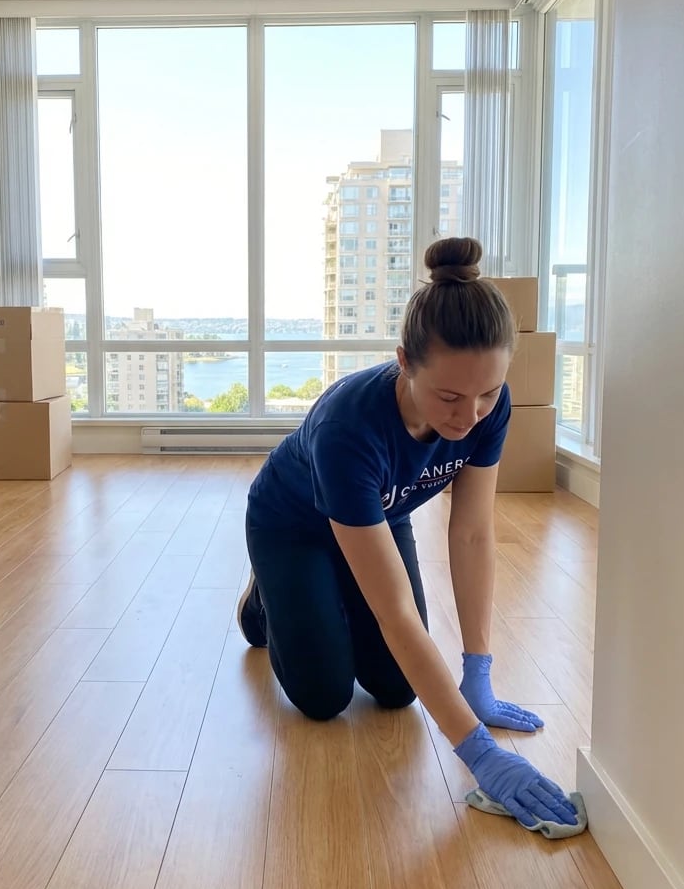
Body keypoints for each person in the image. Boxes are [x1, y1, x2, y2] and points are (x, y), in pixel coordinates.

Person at [238, 236, 578, 829]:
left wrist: (477, 674)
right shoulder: (349, 430)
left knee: (397, 689)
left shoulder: (486, 408)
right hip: (292, 525)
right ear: (403, 361)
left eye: (487, 393)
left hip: (379, 516)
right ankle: (268, 596)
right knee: (324, 699)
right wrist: (479, 754)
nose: (469, 415)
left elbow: (471, 533)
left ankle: (330, 590)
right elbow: (395, 613)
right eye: (449, 395)